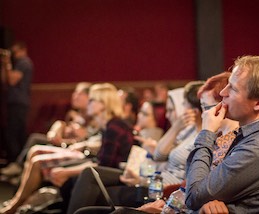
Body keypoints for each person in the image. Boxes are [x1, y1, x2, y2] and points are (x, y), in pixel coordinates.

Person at [65, 82, 204, 214]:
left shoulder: (201, 137)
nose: (168, 114)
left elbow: (161, 161)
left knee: (89, 189)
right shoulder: (185, 133)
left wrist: (143, 179)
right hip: (149, 183)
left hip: (161, 192)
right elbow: (159, 156)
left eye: (174, 109)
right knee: (86, 189)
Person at [0, 83, 135, 214]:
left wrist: (67, 171)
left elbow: (102, 165)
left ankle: (18, 205)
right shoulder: (110, 125)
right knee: (40, 154)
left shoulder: (114, 127)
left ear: (104, 104)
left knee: (48, 164)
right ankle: (21, 204)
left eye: (92, 100)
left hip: (113, 173)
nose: (88, 103)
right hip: (97, 165)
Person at [185, 54, 259, 213]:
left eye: (233, 88)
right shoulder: (254, 135)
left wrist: (207, 132)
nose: (222, 92)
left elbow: (193, 196)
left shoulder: (258, 149)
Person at [1, 41, 33, 164]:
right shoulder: (17, 64)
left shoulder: (24, 62)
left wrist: (8, 63)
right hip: (14, 102)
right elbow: (5, 80)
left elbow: (12, 81)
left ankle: (17, 162)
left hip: (19, 102)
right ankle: (16, 162)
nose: (13, 55)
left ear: (22, 49)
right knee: (12, 131)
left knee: (15, 132)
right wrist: (5, 64)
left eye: (14, 52)